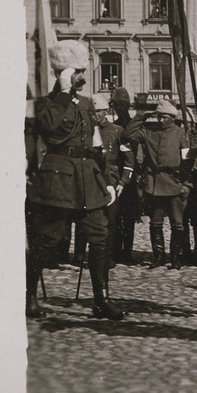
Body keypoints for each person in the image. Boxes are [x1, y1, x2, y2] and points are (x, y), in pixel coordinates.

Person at [25, 40, 125, 320]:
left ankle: (101, 300)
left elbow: (95, 144)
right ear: (65, 72)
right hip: (58, 178)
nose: (84, 75)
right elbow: (49, 128)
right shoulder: (47, 103)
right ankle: (29, 297)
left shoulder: (85, 103)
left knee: (100, 237)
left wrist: (105, 178)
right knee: (46, 240)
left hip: (87, 179)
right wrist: (64, 92)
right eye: (79, 71)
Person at [123, 99, 191, 269]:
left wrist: (187, 184)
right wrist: (143, 114)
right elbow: (129, 133)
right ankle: (158, 257)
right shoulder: (149, 132)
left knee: (178, 224)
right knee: (155, 223)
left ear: (173, 118)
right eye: (159, 117)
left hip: (175, 183)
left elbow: (188, 162)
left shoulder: (181, 134)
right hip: (155, 184)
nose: (161, 120)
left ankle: (175, 258)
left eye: (165, 117)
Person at [92, 93, 133, 268]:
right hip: (92, 180)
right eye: (94, 112)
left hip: (112, 181)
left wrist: (123, 182)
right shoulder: (87, 131)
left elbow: (129, 161)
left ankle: (108, 255)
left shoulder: (118, 131)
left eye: (100, 112)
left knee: (111, 220)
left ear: (106, 111)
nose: (96, 115)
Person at [109, 87, 140, 265]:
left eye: (122, 104)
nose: (120, 107)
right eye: (117, 104)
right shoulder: (113, 126)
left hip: (129, 175)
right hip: (115, 174)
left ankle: (126, 252)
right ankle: (116, 251)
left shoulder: (131, 125)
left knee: (128, 217)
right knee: (116, 215)